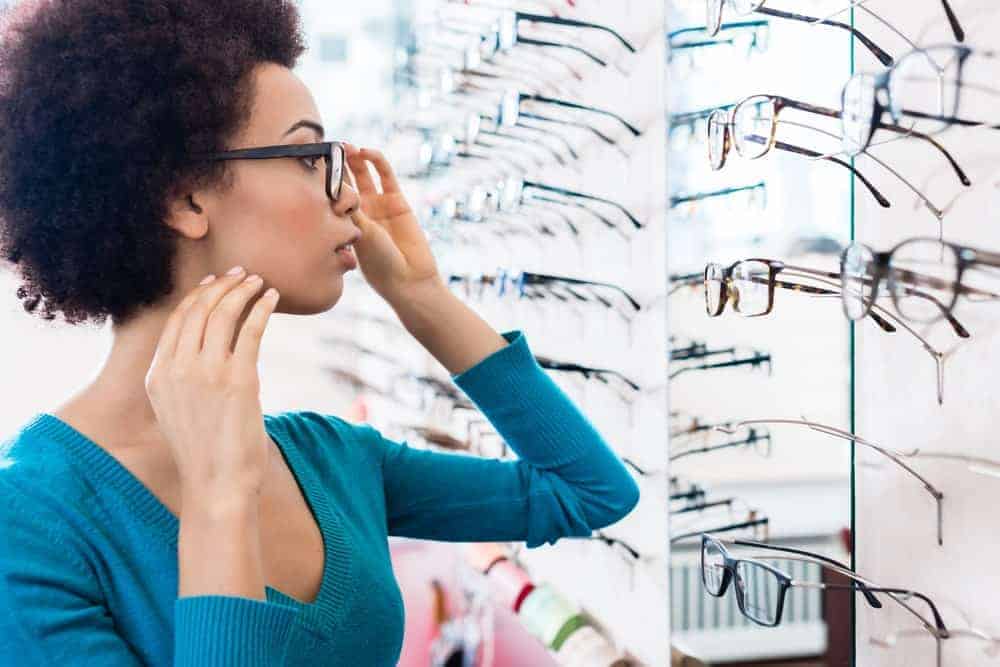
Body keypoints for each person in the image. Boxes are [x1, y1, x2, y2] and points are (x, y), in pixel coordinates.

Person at [0, 1, 641, 665]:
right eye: (310, 156)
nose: (349, 199)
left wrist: (422, 299)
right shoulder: (30, 520)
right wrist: (222, 503)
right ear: (186, 198)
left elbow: (590, 493)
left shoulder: (329, 457)